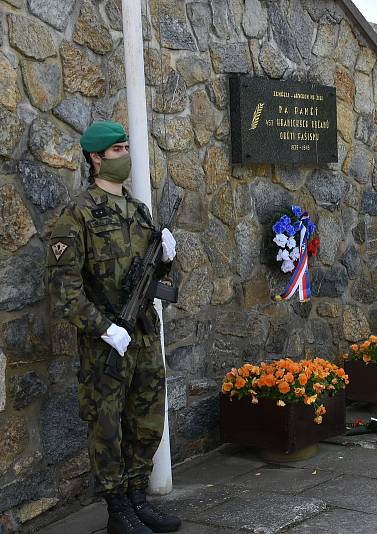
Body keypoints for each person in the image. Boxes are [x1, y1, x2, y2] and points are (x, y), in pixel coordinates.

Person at [47, 121, 181, 534]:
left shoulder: (139, 212)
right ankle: (118, 510)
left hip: (142, 335)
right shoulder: (77, 215)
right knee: (106, 425)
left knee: (146, 420)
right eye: (118, 149)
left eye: (126, 147)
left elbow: (159, 280)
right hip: (106, 343)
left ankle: (139, 497)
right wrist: (105, 328)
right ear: (96, 157)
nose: (125, 155)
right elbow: (63, 291)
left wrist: (167, 257)